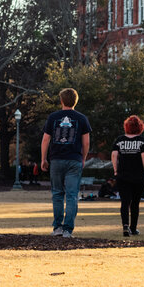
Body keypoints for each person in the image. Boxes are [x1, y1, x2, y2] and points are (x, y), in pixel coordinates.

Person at [40, 87, 92, 238]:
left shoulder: (53, 117)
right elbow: (86, 142)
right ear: (76, 101)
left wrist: (43, 158)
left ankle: (57, 227)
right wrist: (83, 158)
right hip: (74, 160)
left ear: (61, 100)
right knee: (71, 195)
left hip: (56, 159)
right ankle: (68, 230)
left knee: (57, 193)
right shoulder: (82, 118)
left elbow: (45, 139)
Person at [111, 115, 144, 236]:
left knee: (125, 202)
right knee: (135, 203)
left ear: (126, 126)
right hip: (138, 176)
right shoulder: (142, 140)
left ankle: (125, 226)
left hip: (123, 175)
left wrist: (116, 170)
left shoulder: (119, 140)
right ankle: (133, 228)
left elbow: (114, 155)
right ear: (140, 127)